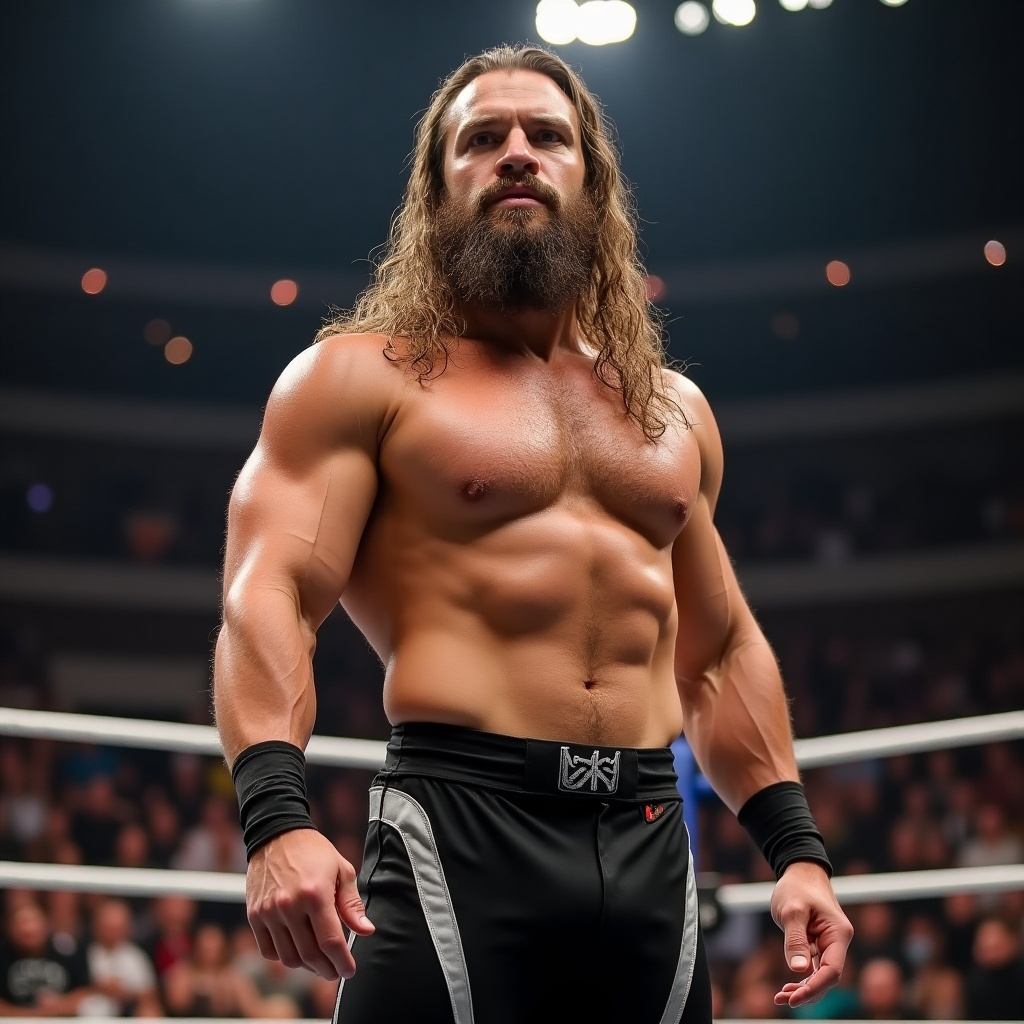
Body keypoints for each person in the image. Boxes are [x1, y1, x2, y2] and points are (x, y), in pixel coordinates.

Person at [213, 43, 853, 1024]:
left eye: (546, 136)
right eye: (482, 139)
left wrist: (796, 849)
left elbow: (717, 651)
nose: (517, 153)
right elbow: (269, 595)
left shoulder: (672, 412)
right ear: (435, 193)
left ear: (592, 187)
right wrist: (274, 819)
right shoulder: (359, 377)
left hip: (646, 832)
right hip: (459, 823)